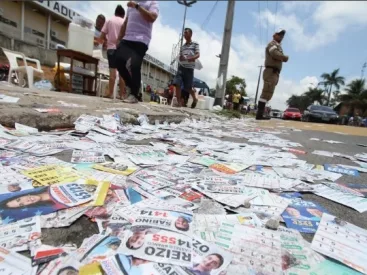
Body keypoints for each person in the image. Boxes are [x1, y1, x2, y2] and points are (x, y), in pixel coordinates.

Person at [116, 0, 159, 104]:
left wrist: (137, 6)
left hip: (141, 39)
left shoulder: (152, 2)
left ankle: (134, 94)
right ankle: (131, 86)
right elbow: (126, 21)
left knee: (135, 65)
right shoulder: (132, 3)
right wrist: (119, 38)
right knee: (118, 60)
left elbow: (152, 17)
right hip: (128, 38)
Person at [256, 28, 289, 120]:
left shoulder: (278, 45)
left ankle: (261, 113)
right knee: (266, 91)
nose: (281, 37)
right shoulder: (273, 44)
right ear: (274, 35)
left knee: (269, 93)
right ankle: (259, 114)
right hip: (271, 71)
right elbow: (274, 53)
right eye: (279, 34)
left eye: (282, 35)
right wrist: (284, 57)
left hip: (274, 72)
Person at [99, 5, 126, 99]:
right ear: (123, 15)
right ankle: (122, 95)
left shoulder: (109, 20)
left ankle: (110, 94)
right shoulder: (124, 22)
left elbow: (101, 36)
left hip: (111, 49)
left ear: (115, 13)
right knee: (122, 74)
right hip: (122, 49)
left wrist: (105, 42)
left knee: (112, 73)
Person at [173, 28, 200, 108]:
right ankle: (178, 103)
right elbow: (181, 56)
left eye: (186, 33)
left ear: (191, 34)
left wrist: (189, 59)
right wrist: (181, 57)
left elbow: (198, 54)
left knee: (188, 87)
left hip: (189, 68)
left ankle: (195, 99)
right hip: (181, 67)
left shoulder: (195, 44)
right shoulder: (183, 46)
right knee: (177, 83)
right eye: (184, 33)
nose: (184, 34)